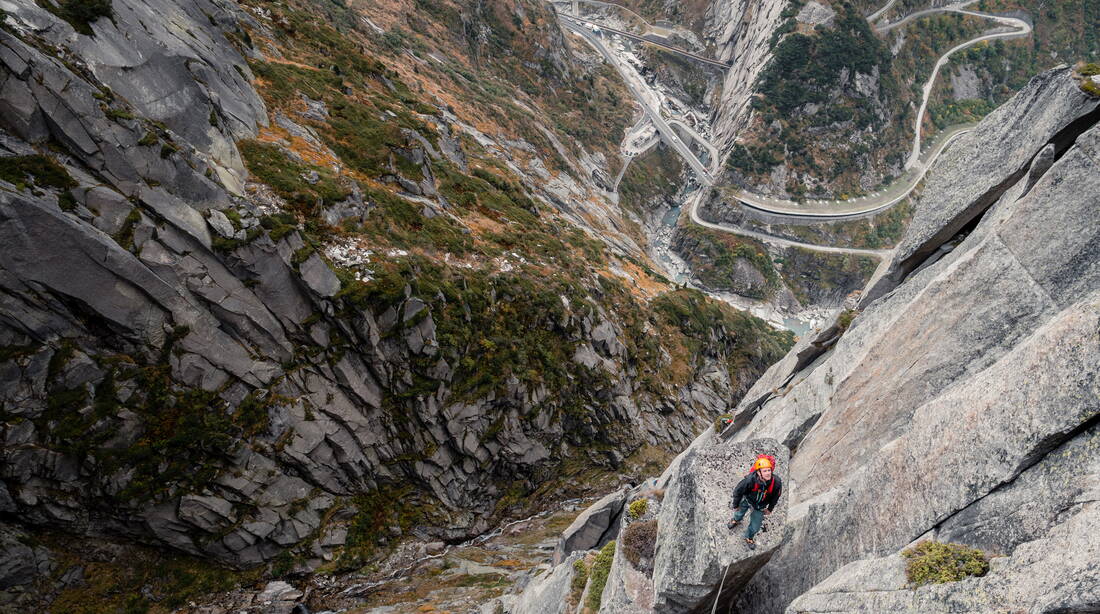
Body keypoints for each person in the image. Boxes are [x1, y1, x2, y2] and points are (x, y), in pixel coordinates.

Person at [727, 455, 782, 550]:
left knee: (756, 526)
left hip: (760, 506)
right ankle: (736, 519)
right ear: (758, 472)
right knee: (739, 512)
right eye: (765, 471)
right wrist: (735, 505)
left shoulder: (776, 482)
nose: (768, 473)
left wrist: (770, 509)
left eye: (769, 470)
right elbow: (738, 491)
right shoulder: (750, 480)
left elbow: (775, 497)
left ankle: (749, 537)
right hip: (748, 500)